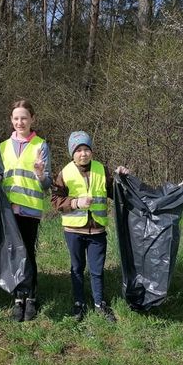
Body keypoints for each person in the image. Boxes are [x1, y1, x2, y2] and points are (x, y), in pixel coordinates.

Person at [0, 99, 52, 322]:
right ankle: (17, 299)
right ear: (11, 120)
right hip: (8, 211)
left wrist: (41, 174)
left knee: (28, 253)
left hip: (30, 210)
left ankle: (31, 297)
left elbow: (46, 184)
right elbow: (1, 180)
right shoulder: (3, 146)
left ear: (32, 119)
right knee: (13, 253)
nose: (20, 122)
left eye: (24, 117)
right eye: (16, 118)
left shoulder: (41, 145)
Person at [52, 131, 128, 322]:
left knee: (96, 269)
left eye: (86, 149)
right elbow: (55, 200)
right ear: (72, 153)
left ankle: (99, 303)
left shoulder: (102, 170)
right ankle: (79, 303)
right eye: (78, 150)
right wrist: (76, 203)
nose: (83, 153)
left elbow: (115, 192)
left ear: (92, 152)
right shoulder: (65, 172)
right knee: (77, 267)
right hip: (73, 230)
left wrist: (122, 177)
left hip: (97, 230)